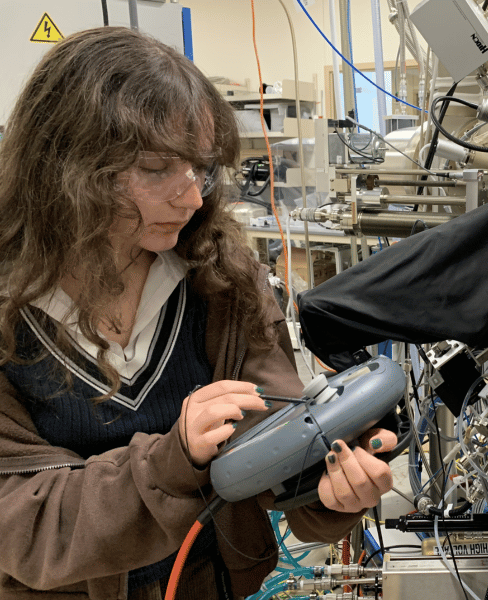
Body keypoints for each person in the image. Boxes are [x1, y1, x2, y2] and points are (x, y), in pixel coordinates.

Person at [0, 27, 396, 600]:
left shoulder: (218, 277)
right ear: (67, 168)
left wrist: (329, 490)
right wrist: (169, 462)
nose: (190, 198)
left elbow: (276, 444)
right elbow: (22, 525)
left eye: (200, 168)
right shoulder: (12, 310)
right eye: (158, 168)